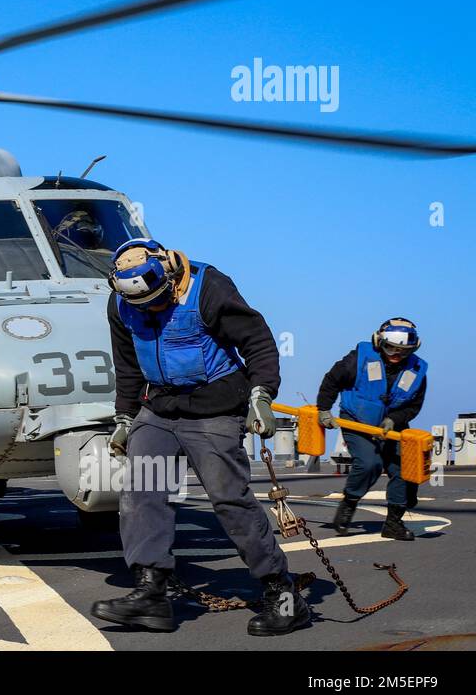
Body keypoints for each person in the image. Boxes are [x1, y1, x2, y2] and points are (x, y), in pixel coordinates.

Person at [89, 238, 311, 636]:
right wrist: (124, 417)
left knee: (229, 500)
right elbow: (127, 365)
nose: (150, 310)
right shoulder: (121, 303)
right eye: (140, 305)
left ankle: (283, 594)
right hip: (158, 410)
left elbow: (257, 342)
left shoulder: (208, 287)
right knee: (143, 494)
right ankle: (151, 595)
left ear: (169, 277)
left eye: (157, 301)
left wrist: (261, 396)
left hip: (215, 410)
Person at [317, 318, 427, 540]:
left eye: (402, 351)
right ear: (379, 342)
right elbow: (331, 381)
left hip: (392, 427)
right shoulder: (359, 359)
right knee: (370, 465)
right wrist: (324, 410)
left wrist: (394, 419)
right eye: (390, 348)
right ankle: (349, 503)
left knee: (404, 470)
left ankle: (393, 524)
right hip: (357, 421)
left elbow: (413, 406)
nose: (396, 354)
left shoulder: (416, 371)